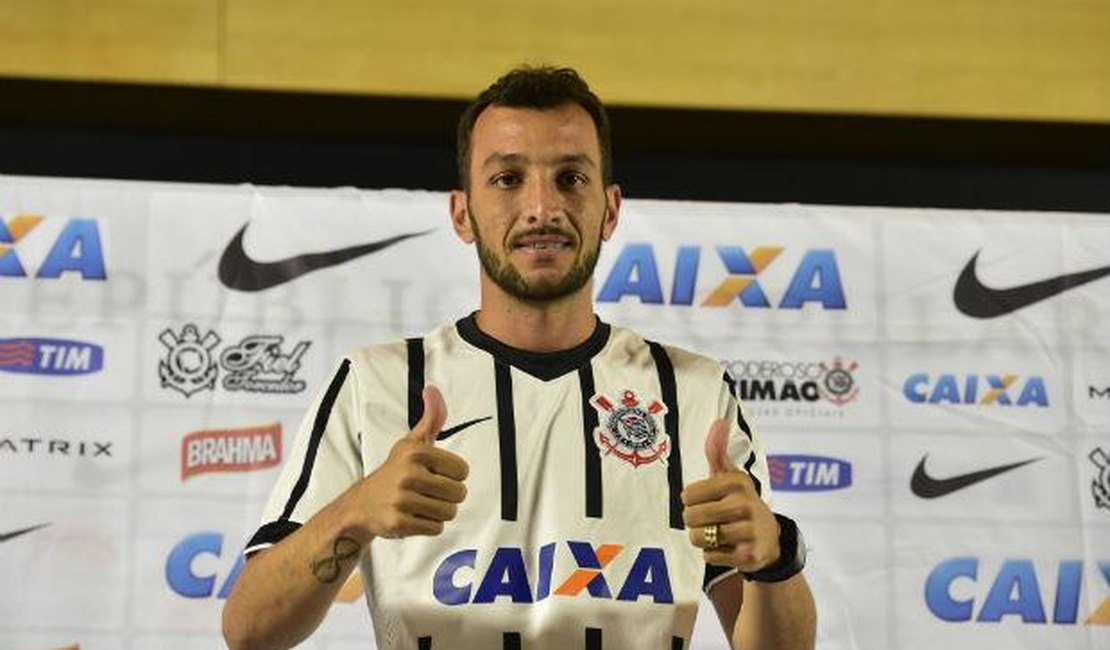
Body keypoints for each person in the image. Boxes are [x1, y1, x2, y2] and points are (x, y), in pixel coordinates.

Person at [222, 65, 816, 650]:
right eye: (508, 178)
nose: (541, 207)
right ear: (462, 213)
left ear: (610, 210)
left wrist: (774, 556)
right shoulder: (376, 383)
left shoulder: (694, 393)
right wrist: (355, 512)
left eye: (571, 178)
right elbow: (250, 629)